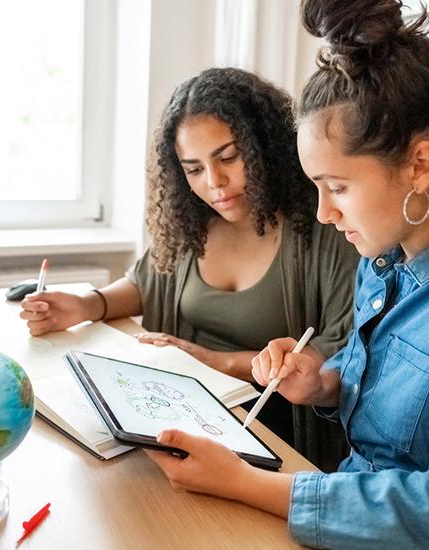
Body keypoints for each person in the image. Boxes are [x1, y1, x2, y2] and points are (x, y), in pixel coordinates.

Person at [146, 1, 429, 548]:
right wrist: (321, 381)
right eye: (316, 188)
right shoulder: (382, 264)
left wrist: (250, 484)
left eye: (339, 188)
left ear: (420, 163)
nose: (324, 213)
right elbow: (366, 376)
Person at [20, 67, 358, 470]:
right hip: (188, 411)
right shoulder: (194, 223)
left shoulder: (324, 228)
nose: (214, 182)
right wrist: (84, 305)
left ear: (264, 146)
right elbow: (148, 281)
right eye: (194, 169)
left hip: (273, 434)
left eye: (228, 157)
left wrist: (206, 360)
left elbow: (336, 358)